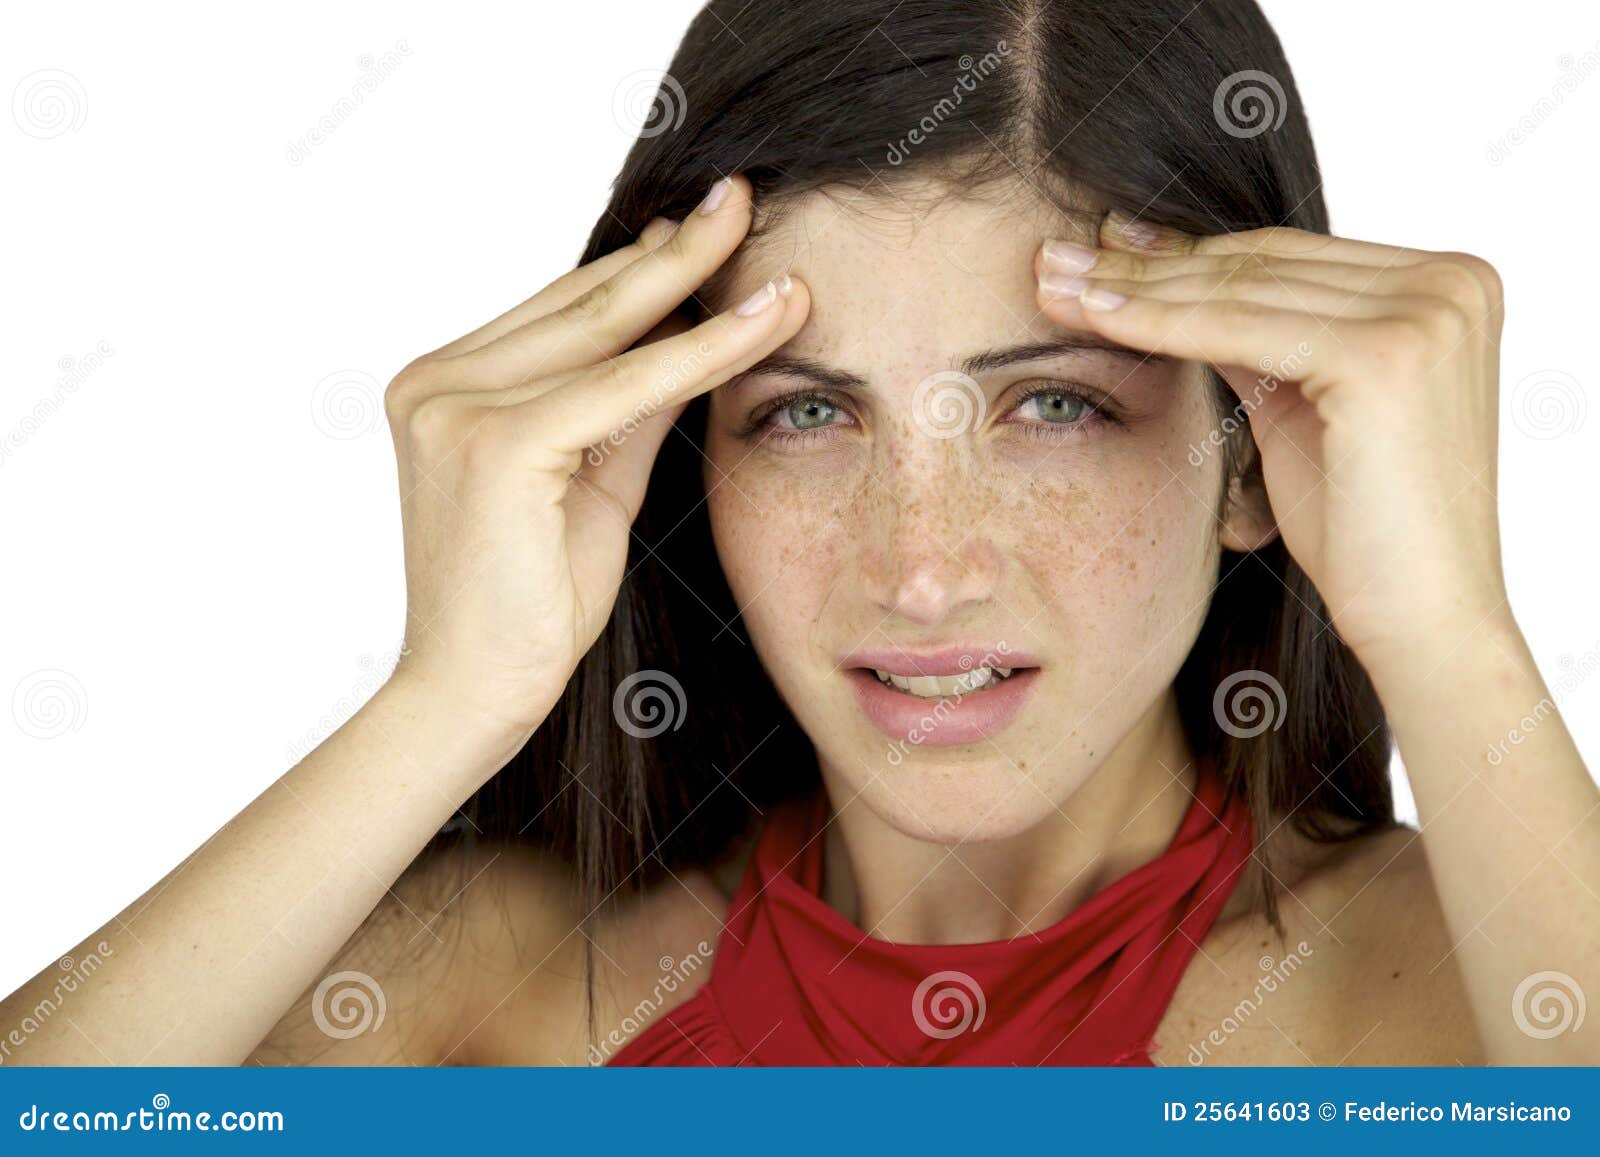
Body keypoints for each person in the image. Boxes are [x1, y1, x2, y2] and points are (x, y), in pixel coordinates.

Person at [4, 0, 1594, 1067]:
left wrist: (1450, 627)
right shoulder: (492, 992)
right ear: (681, 452)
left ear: (1260, 456)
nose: (921, 564)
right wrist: (450, 697)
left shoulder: (1440, 995)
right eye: (806, 411)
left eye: (1053, 409)